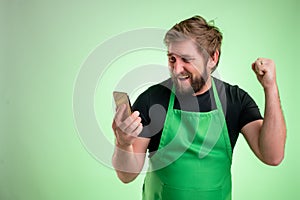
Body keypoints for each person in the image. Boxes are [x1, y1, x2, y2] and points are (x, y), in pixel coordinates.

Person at [111, 15, 286, 200]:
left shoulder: (235, 100)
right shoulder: (153, 98)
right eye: (172, 59)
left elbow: (272, 156)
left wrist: (270, 87)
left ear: (212, 57)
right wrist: (123, 143)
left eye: (186, 59)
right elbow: (126, 175)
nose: (177, 69)